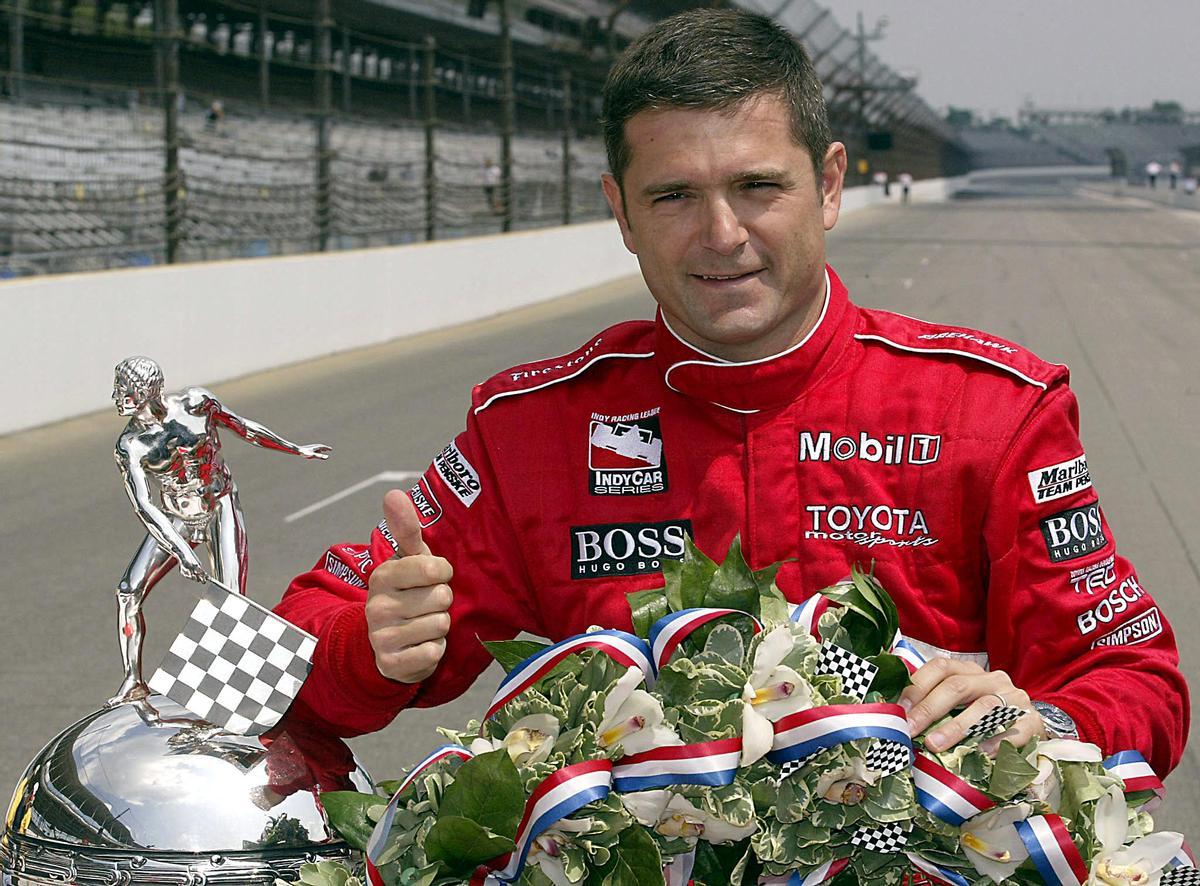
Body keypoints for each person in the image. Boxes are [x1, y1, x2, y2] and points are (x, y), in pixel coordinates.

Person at [276, 9, 1187, 776]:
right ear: (620, 212)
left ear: (828, 185)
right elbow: (298, 637)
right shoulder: (530, 429)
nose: (721, 234)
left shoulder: (991, 410)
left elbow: (1134, 679)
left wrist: (1043, 723)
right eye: (673, 196)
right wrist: (371, 644)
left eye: (757, 186)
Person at [111, 356, 331, 705]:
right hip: (176, 517)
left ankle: (236, 688)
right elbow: (144, 505)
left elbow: (243, 428)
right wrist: (183, 552)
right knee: (128, 592)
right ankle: (133, 680)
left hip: (219, 504)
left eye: (124, 390)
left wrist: (295, 449)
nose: (116, 398)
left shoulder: (195, 403)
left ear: (146, 390)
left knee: (231, 600)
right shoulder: (131, 445)